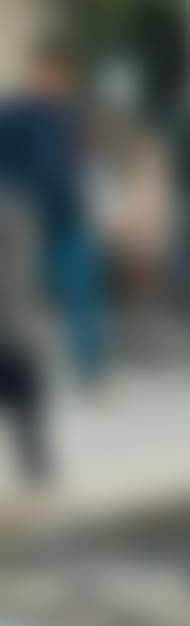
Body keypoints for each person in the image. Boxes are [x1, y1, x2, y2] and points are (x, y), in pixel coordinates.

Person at [0, 43, 108, 381]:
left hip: (67, 214)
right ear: (35, 74)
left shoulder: (69, 116)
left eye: (59, 75)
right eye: (47, 73)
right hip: (26, 217)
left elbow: (78, 162)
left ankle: (90, 364)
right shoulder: (15, 114)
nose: (53, 81)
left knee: (82, 288)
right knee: (19, 295)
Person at [0, 186, 50, 484]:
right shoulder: (17, 215)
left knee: (25, 404)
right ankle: (36, 467)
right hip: (16, 334)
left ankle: (36, 467)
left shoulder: (14, 217)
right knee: (26, 410)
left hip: (13, 335)